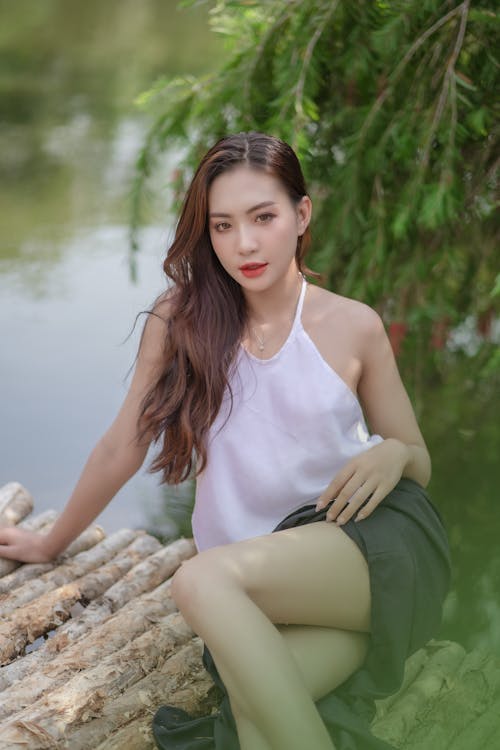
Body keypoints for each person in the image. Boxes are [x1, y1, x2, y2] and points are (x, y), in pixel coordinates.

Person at [0, 132, 451, 750]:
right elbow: (121, 446)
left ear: (301, 214)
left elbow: (418, 461)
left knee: (199, 581)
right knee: (253, 720)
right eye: (222, 225)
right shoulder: (181, 321)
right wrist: (50, 541)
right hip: (265, 597)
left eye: (263, 217)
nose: (244, 244)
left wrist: (395, 452)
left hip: (369, 550)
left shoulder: (354, 326)